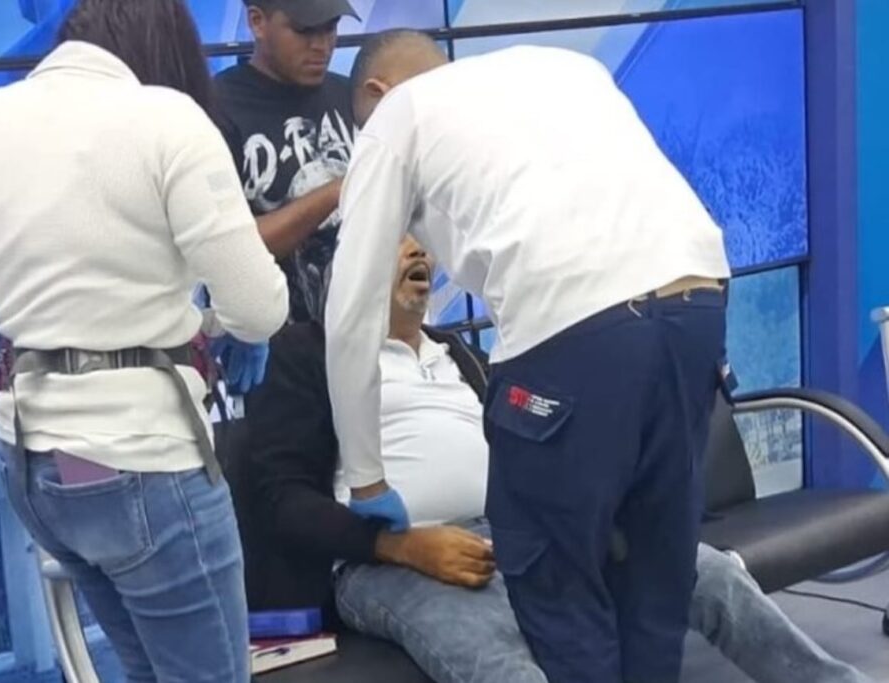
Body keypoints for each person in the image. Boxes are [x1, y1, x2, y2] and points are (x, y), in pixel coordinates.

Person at [0, 1, 288, 681]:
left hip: (37, 465)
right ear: (167, 49)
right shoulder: (168, 119)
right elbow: (258, 305)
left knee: (145, 672)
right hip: (145, 459)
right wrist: (240, 329)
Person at [240, 236, 871, 683]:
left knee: (709, 574)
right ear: (350, 267)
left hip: (520, 530)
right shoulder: (310, 354)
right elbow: (279, 499)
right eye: (397, 239)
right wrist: (400, 546)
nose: (419, 251)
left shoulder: (457, 352)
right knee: (503, 665)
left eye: (423, 241)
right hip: (393, 561)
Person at [325, 31, 732, 683]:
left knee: (554, 581)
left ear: (377, 91)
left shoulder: (396, 115)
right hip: (697, 304)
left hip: (570, 330)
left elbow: (349, 315)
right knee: (656, 572)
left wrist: (368, 480)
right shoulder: (565, 68)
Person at [215, 0, 359, 325]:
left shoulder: (350, 95)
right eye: (304, 30)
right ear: (257, 22)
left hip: (365, 335)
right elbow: (227, 249)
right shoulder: (216, 108)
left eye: (331, 28)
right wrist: (336, 191)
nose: (322, 45)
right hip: (269, 341)